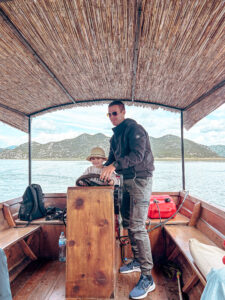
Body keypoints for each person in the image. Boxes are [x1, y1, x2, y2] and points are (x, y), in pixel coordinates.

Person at [100, 100, 155, 299]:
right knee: (127, 221)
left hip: (140, 180)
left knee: (138, 226)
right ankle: (138, 261)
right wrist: (102, 170)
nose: (112, 117)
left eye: (115, 113)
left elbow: (138, 155)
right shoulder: (114, 138)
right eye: (109, 115)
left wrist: (114, 166)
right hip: (125, 181)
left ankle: (148, 277)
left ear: (123, 112)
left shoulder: (135, 129)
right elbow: (110, 160)